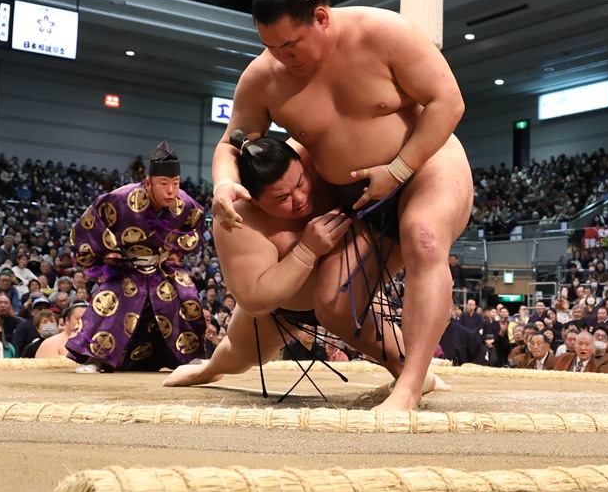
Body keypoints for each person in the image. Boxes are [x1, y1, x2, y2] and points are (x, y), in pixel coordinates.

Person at [210, 0, 473, 411]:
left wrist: (401, 167)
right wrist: (223, 181)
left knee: (425, 236)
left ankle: (407, 389)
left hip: (427, 163)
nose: (279, 56)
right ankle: (413, 373)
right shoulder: (265, 77)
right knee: (333, 305)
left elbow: (449, 101)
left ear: (322, 18)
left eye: (289, 44)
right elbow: (231, 143)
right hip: (359, 198)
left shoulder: (384, 33)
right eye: (269, 46)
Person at [164, 136, 446, 397]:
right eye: (282, 199)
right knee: (240, 353)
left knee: (409, 367)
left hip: (350, 293)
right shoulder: (237, 218)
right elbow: (254, 299)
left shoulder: (320, 158)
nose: (299, 200)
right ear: (255, 200)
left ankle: (415, 377)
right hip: (283, 308)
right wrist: (306, 251)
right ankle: (210, 369)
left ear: (301, 164)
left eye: (300, 183)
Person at [66, 141, 207, 372]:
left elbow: (196, 226)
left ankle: (188, 356)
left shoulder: (185, 204)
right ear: (149, 182)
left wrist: (177, 248)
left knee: (186, 294)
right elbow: (88, 223)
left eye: (176, 183)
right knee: (112, 301)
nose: (171, 191)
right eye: (164, 184)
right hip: (127, 267)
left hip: (162, 267)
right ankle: (97, 358)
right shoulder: (121, 198)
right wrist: (105, 251)